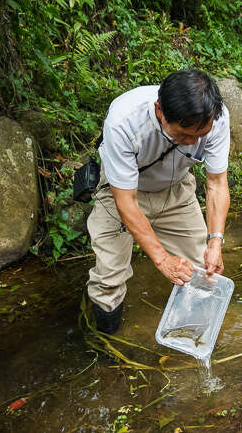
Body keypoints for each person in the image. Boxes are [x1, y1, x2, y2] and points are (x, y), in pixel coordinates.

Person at [87, 69, 230, 334]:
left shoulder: (216, 117)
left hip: (175, 190)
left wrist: (215, 240)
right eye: (184, 135)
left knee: (203, 271)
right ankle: (107, 346)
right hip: (122, 192)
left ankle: (195, 341)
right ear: (160, 111)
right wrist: (162, 259)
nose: (193, 143)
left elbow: (217, 184)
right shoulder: (124, 121)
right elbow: (126, 202)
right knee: (109, 276)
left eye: (201, 135)